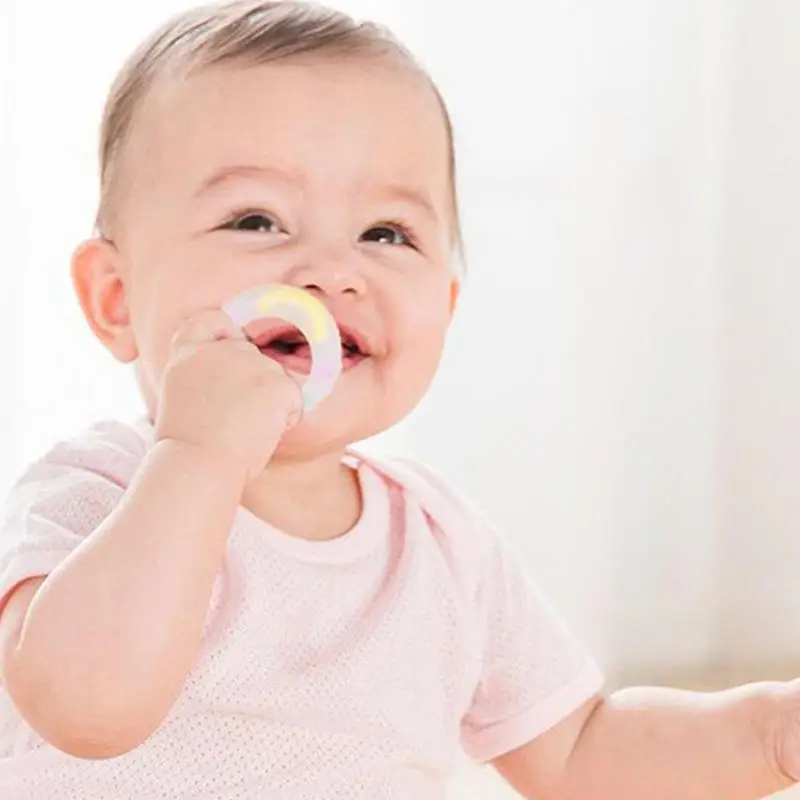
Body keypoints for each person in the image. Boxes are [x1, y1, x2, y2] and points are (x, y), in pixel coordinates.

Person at [0, 2, 798, 798]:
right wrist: (198, 456)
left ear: (445, 308)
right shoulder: (94, 495)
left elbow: (580, 752)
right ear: (115, 297)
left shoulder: (441, 546)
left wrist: (767, 733)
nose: (331, 272)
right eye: (255, 219)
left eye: (386, 234)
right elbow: (87, 711)